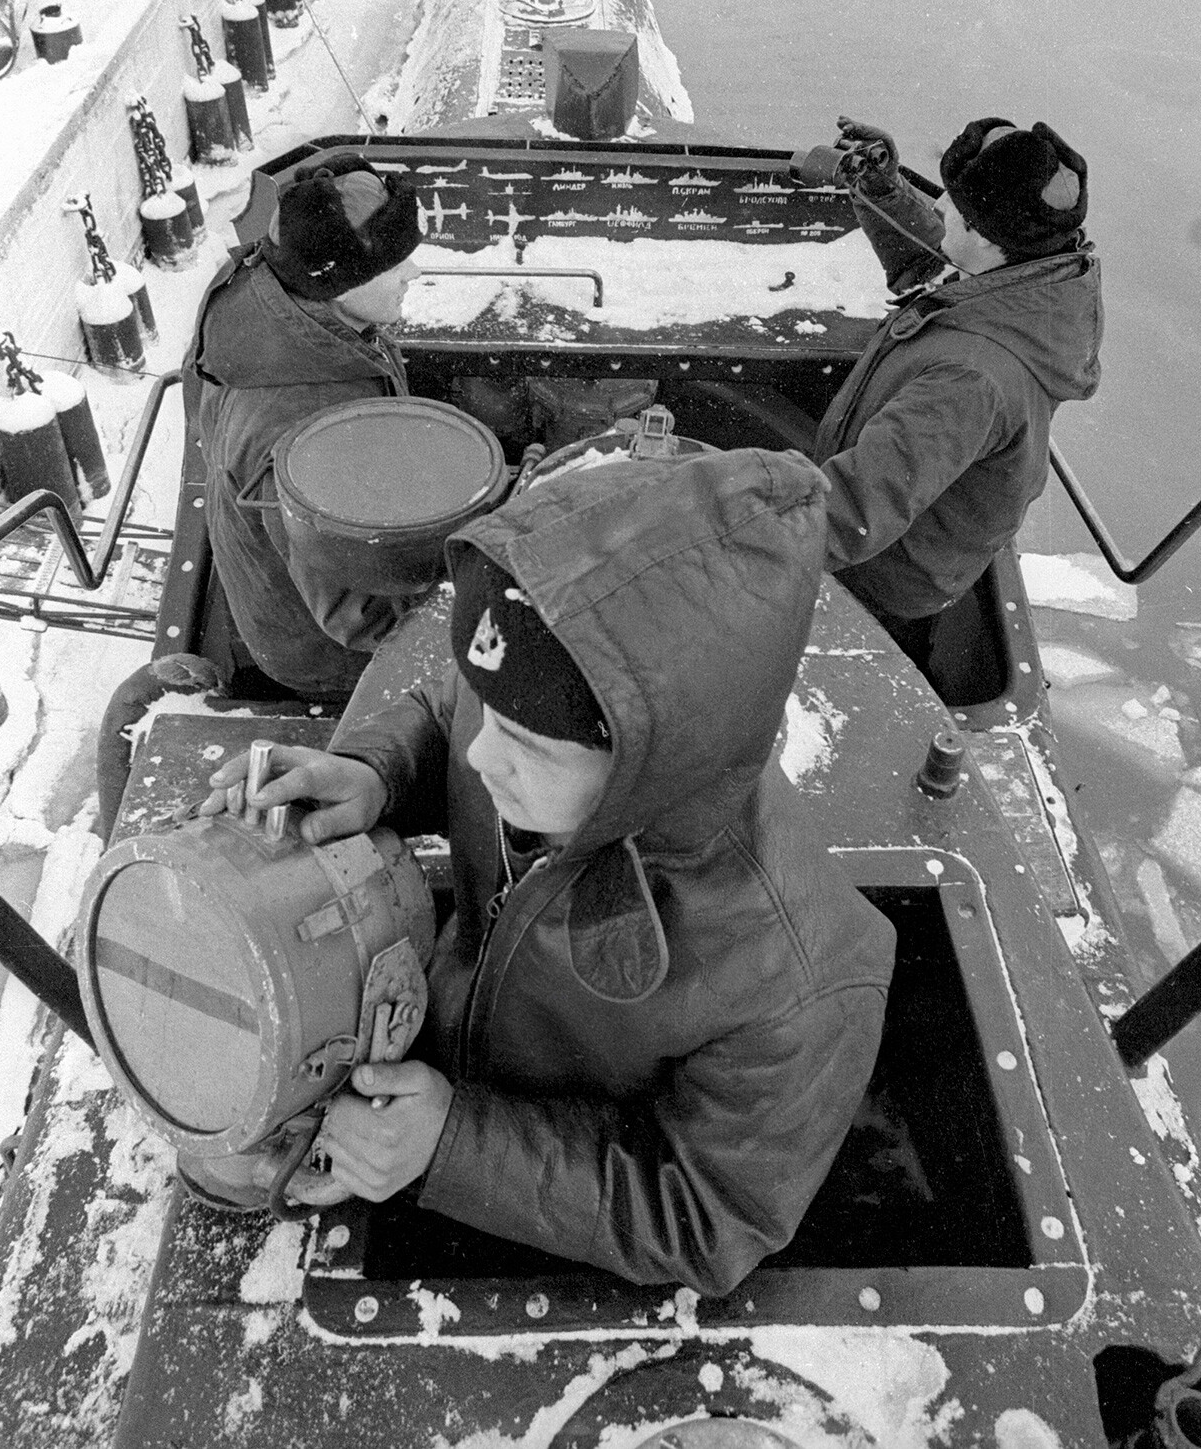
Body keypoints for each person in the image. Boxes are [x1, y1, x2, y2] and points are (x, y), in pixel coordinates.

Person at [203, 448, 896, 1296]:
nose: (483, 753)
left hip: (545, 1211)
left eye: (527, 744)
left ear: (651, 762)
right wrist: (379, 770)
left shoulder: (800, 975)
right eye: (485, 708)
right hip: (441, 1053)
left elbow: (708, 1218)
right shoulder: (530, 726)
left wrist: (451, 1147)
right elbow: (451, 718)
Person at [812, 115, 1103, 673]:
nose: (940, 207)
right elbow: (936, 267)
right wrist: (881, 190)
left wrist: (727, 544)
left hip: (880, 577)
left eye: (956, 210)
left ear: (991, 241)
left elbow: (856, 511)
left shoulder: (968, 381)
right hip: (903, 532)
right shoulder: (1033, 282)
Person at [186, 153, 423, 702]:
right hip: (330, 657)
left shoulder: (267, 314)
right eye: (395, 264)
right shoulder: (310, 434)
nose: (414, 272)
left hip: (291, 590)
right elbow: (360, 617)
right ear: (339, 282)